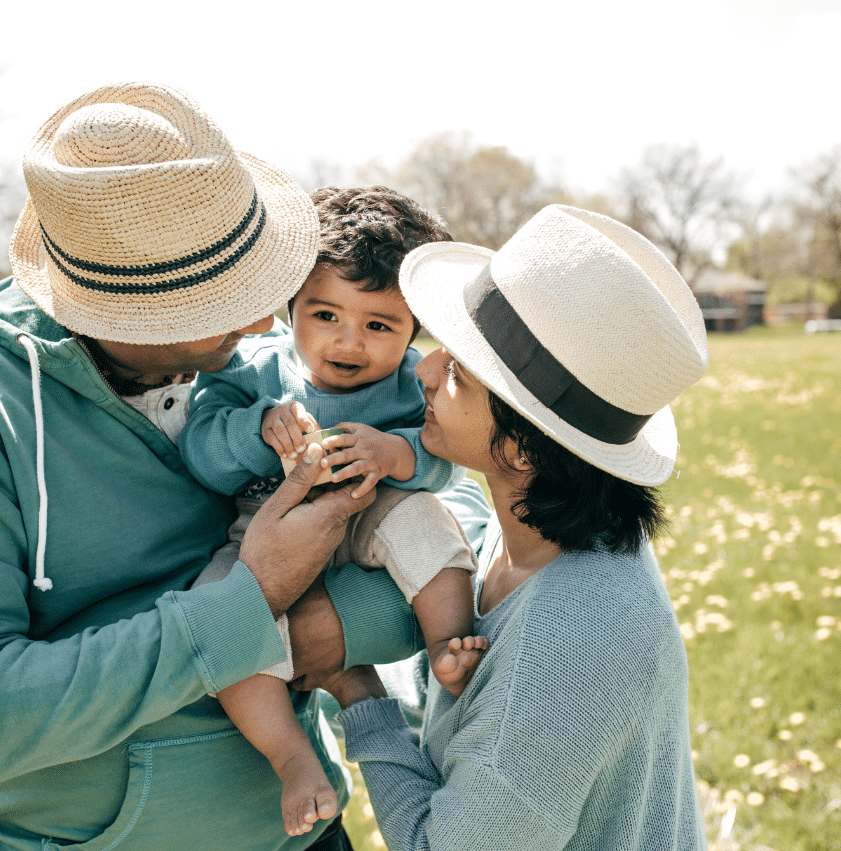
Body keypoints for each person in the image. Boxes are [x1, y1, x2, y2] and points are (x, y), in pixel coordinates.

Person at [0, 82, 487, 851]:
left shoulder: (261, 363)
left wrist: (325, 629)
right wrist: (249, 601)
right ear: (131, 313)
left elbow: (462, 533)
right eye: (233, 297)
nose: (268, 318)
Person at [303, 204, 712, 849]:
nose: (424, 371)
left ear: (525, 449)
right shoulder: (540, 532)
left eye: (458, 372)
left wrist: (357, 693)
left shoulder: (575, 641)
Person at [179, 186, 480, 837]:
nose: (350, 341)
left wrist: (395, 453)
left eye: (379, 325)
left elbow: (440, 462)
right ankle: (293, 758)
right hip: (262, 534)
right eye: (326, 315)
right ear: (291, 308)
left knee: (430, 523)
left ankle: (448, 645)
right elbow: (202, 451)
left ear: (411, 331)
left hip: (369, 522)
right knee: (219, 620)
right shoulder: (251, 371)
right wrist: (257, 429)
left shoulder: (407, 384)